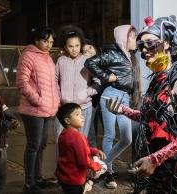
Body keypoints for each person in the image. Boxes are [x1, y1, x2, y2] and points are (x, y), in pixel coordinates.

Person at [105, 16, 177, 193]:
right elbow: (152, 118)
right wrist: (123, 110)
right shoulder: (157, 81)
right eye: (140, 46)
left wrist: (155, 159)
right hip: (157, 165)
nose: (145, 51)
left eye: (150, 43)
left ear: (167, 44)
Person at [84, 25, 139, 189]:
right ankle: (109, 174)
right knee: (109, 135)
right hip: (111, 94)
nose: (135, 41)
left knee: (127, 138)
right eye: (133, 37)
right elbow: (90, 62)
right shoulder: (113, 53)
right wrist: (107, 76)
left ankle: (104, 164)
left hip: (124, 97)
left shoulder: (129, 56)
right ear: (124, 38)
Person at [16, 26, 60, 194]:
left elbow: (53, 84)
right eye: (45, 41)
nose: (49, 44)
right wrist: (37, 100)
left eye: (51, 42)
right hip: (33, 110)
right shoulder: (28, 55)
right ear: (36, 40)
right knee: (33, 145)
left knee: (41, 146)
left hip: (48, 110)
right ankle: (29, 182)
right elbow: (22, 82)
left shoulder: (48, 58)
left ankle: (38, 177)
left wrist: (54, 102)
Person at [55, 25, 99, 139]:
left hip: (84, 108)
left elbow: (98, 81)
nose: (74, 49)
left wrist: (87, 93)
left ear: (81, 45)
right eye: (70, 46)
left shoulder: (88, 61)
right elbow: (54, 80)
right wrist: (58, 96)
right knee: (61, 143)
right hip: (64, 109)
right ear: (65, 46)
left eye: (77, 45)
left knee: (81, 142)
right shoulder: (61, 60)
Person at [55, 103, 106, 194]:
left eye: (81, 114)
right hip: (74, 179)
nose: (82, 117)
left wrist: (94, 151)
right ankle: (85, 186)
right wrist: (97, 167)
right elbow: (84, 161)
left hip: (64, 175)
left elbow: (79, 150)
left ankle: (86, 185)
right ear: (67, 120)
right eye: (77, 114)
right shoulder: (77, 136)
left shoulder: (64, 134)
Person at [82, 38, 102, 147]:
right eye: (84, 51)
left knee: (107, 133)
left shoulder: (103, 60)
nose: (88, 51)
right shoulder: (86, 65)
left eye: (90, 47)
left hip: (103, 101)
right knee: (91, 132)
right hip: (91, 103)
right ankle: (93, 156)